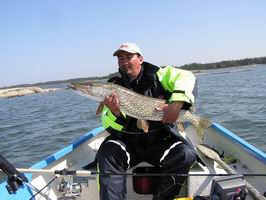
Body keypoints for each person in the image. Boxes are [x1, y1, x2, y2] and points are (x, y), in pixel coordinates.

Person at [96, 42, 197, 200]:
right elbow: (108, 125)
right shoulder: (113, 87)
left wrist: (176, 104)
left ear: (141, 59)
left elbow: (188, 77)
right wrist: (116, 113)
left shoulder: (160, 74)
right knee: (107, 153)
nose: (124, 61)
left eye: (129, 57)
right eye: (120, 58)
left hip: (160, 141)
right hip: (128, 144)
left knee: (186, 154)